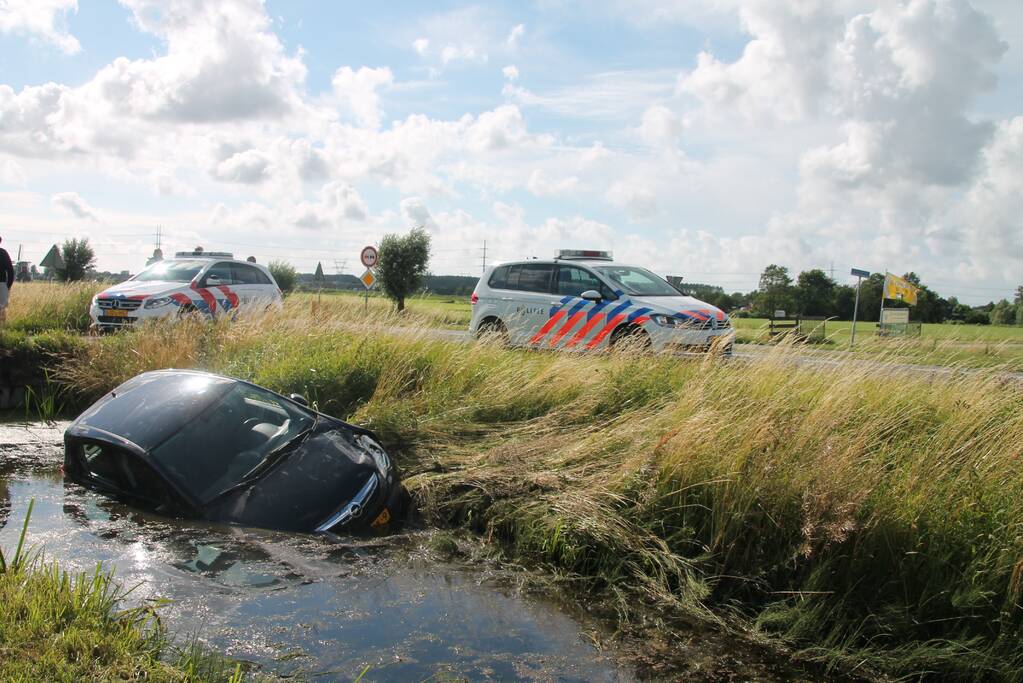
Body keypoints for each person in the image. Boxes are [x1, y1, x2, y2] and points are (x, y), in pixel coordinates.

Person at [0, 236, 13, 325]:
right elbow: (10, 270)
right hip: (2, 284)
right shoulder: (4, 253)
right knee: (2, 307)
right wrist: (8, 285)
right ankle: (2, 327)